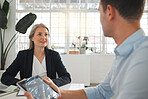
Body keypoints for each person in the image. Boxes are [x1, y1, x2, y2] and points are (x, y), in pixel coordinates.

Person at [25, 0, 148, 99]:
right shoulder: (124, 53)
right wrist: (60, 94)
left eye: (99, 12)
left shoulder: (142, 59)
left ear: (109, 12)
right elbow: (101, 92)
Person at [1, 23, 71, 87]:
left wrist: (51, 82)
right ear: (32, 38)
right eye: (39, 34)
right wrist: (19, 82)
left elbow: (66, 77)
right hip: (29, 92)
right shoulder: (23, 56)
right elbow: (5, 77)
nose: (43, 37)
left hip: (48, 91)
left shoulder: (54, 55)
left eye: (46, 34)